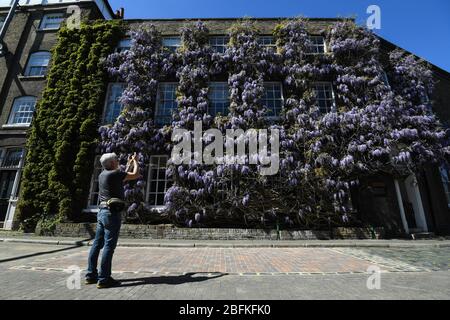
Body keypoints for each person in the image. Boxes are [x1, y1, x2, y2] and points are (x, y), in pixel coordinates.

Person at [85, 152, 140, 289]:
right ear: (111, 163)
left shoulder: (103, 174)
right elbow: (135, 174)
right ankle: (104, 279)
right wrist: (136, 162)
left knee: (97, 244)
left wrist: (129, 163)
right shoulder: (115, 174)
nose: (117, 160)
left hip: (102, 212)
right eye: (116, 159)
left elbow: (123, 176)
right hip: (112, 213)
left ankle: (91, 275)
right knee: (109, 246)